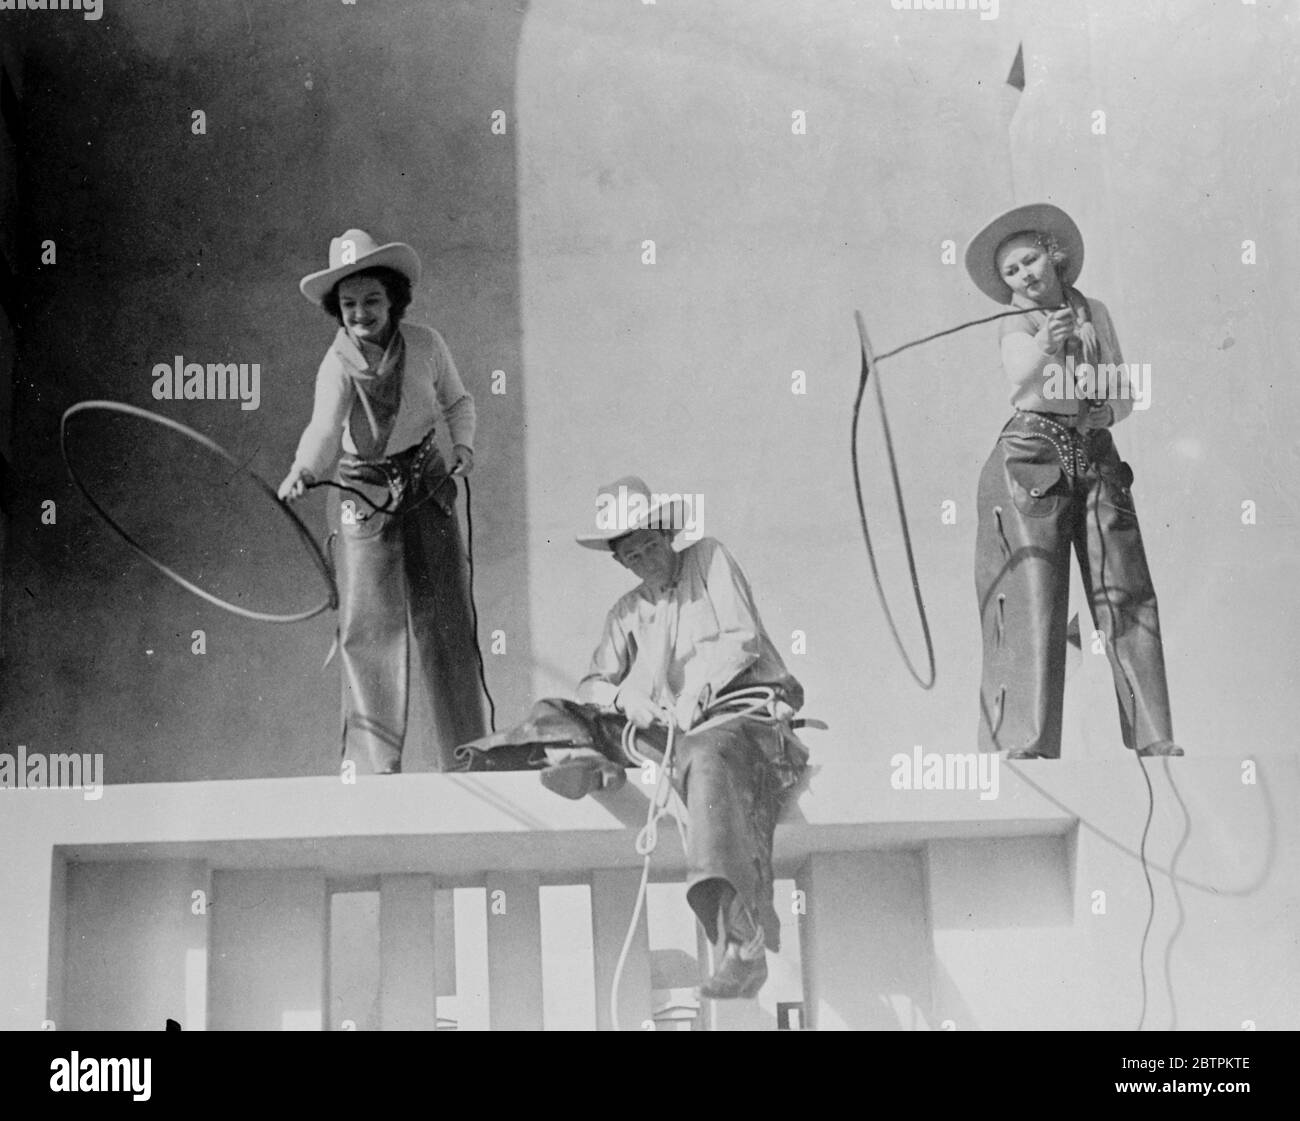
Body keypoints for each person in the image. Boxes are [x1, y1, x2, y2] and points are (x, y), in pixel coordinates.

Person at [457, 476, 810, 999]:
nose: (646, 559)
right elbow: (596, 683)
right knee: (559, 710)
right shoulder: (625, 612)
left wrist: (700, 690)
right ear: (620, 562)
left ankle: (741, 940)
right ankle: (581, 758)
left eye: (650, 544)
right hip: (664, 732)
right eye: (633, 554)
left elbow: (743, 638)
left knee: (706, 757)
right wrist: (627, 701)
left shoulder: (709, 559)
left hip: (739, 724)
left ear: (668, 534)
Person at [963, 202, 1182, 759]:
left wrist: (1104, 399)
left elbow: (1124, 393)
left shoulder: (1095, 311)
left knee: (1126, 592)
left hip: (1095, 454)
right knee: (1033, 594)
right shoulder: (1012, 320)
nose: (1024, 277)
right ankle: (1023, 743)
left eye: (1030, 261)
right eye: (1011, 272)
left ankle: (1155, 739)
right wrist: (1045, 346)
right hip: (1030, 458)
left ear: (1053, 256)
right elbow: (1020, 381)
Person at [279, 228, 486, 773]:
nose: (361, 314)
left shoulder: (427, 344)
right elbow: (324, 429)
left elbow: (457, 400)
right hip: (361, 493)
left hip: (425, 481)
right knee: (369, 628)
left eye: (372, 300)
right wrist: (304, 470)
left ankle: (468, 755)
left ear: (394, 299)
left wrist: (462, 445)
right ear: (337, 310)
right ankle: (374, 769)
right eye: (349, 304)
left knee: (446, 619)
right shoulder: (337, 364)